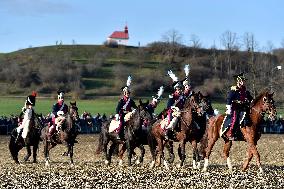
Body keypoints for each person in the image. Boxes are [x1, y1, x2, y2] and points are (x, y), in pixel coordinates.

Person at [225, 73, 253, 140]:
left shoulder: (245, 90)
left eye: (244, 81)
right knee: (235, 118)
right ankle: (230, 132)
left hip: (244, 107)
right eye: (243, 81)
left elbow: (250, 98)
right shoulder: (233, 90)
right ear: (238, 81)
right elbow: (229, 99)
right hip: (235, 107)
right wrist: (228, 109)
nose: (244, 82)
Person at [115, 76, 137, 140]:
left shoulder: (131, 100)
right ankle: (118, 133)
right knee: (121, 122)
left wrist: (136, 109)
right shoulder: (121, 100)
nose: (128, 94)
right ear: (124, 93)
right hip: (122, 113)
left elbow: (135, 106)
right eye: (127, 93)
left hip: (129, 114)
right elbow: (117, 108)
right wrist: (117, 114)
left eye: (128, 93)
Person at [164, 70, 185, 140]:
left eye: (180, 89)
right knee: (176, 117)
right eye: (178, 89)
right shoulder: (172, 96)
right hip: (173, 111)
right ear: (175, 90)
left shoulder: (182, 97)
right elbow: (169, 106)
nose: (179, 90)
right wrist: (176, 108)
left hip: (181, 111)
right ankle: (167, 130)